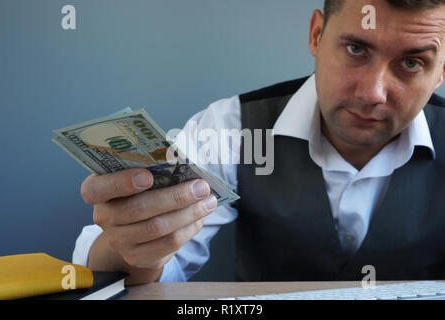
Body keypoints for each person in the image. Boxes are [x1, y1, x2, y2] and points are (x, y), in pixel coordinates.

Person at [72, 0, 445, 284]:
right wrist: (135, 249)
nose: (372, 93)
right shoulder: (230, 128)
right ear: (316, 34)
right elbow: (137, 270)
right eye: (356, 49)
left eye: (411, 63)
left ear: (442, 70)